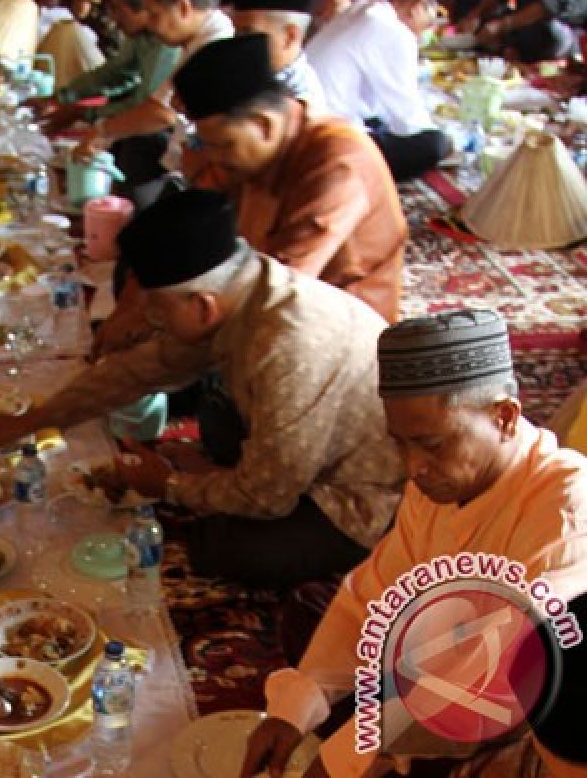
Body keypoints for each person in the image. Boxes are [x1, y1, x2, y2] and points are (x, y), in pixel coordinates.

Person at [0, 189, 404, 586]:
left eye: (158, 311)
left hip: (357, 494)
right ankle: (220, 477)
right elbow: (138, 371)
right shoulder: (247, 290)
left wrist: (171, 486)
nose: (155, 323)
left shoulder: (288, 346)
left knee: (222, 549)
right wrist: (35, 419)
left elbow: (268, 497)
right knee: (215, 411)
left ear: (202, 305)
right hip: (306, 443)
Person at [241, 309, 587, 778]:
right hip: (432, 664)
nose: (413, 466)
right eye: (401, 444)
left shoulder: (566, 509)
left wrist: (344, 757)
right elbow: (374, 594)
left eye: (432, 444)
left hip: (517, 717)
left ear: (504, 418)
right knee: (312, 610)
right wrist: (297, 705)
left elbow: (486, 690)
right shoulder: (445, 479)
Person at [175, 33, 405, 322]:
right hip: (268, 286)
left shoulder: (338, 162)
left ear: (263, 124)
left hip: (338, 322)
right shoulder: (247, 154)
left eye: (222, 146)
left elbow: (284, 285)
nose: (213, 158)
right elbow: (198, 215)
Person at [72, 0, 233, 189]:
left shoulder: (213, 45)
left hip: (209, 171)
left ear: (183, 8)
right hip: (187, 160)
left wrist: (103, 131)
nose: (149, 23)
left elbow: (161, 113)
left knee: (140, 145)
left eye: (154, 14)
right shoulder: (197, 38)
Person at [37, 0, 183, 201]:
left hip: (160, 138)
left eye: (117, 9)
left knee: (135, 153)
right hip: (141, 122)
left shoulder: (167, 44)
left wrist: (85, 113)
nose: (113, 18)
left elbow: (147, 108)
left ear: (143, 10)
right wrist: (61, 97)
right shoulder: (141, 36)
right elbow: (115, 73)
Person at [305, 0, 454, 181]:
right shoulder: (395, 32)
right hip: (329, 140)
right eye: (427, 24)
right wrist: (447, 141)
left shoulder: (360, 10)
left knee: (383, 122)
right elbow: (408, 120)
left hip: (306, 120)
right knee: (434, 143)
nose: (423, 34)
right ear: (417, 6)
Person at [227, 0, 327, 109]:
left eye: (247, 34)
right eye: (236, 32)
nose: (237, 43)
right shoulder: (239, 66)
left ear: (290, 37)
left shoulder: (301, 106)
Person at [458, 0, 587, 62]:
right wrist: (475, 15)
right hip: (520, 21)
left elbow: (552, 4)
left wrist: (501, 26)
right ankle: (502, 45)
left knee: (552, 33)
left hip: (563, 27)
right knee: (466, 1)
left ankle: (502, 45)